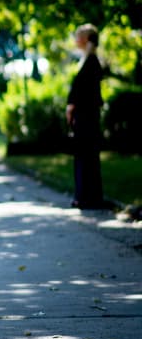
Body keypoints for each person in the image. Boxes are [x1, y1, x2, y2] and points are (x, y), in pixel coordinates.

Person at [66, 23, 105, 209]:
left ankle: (87, 197)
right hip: (85, 117)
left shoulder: (91, 62)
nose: (76, 39)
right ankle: (86, 196)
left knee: (86, 156)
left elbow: (84, 92)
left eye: (79, 36)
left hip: (87, 118)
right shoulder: (87, 60)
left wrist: (72, 107)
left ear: (87, 39)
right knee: (85, 157)